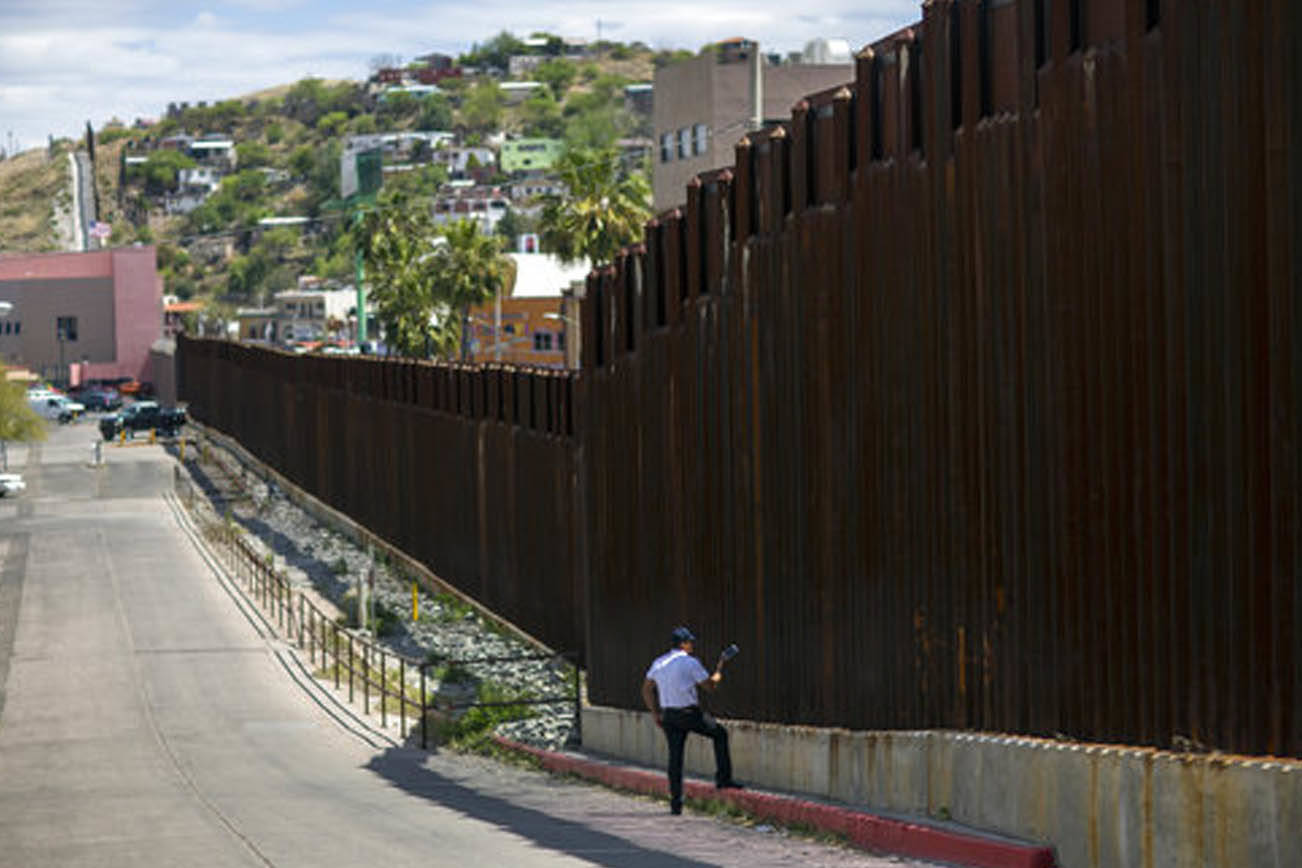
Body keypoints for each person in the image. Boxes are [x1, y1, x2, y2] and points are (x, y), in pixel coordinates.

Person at [641, 626, 742, 815]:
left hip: (669, 715)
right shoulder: (690, 663)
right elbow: (710, 687)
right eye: (690, 642)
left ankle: (676, 803)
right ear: (683, 644)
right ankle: (723, 779)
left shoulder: (659, 663)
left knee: (675, 758)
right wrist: (719, 672)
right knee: (719, 734)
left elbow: (646, 689)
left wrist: (655, 713)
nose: (692, 645)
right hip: (689, 714)